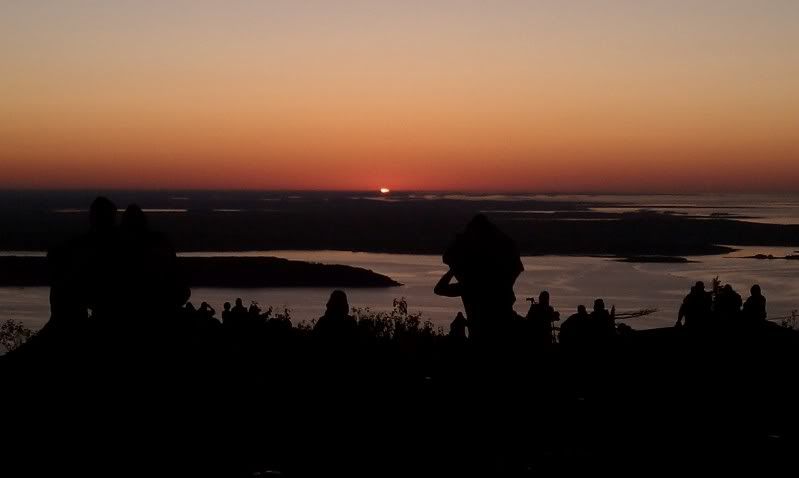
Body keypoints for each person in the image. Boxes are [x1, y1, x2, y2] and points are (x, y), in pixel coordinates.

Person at [437, 214, 523, 343]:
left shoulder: (472, 284)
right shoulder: (494, 279)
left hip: (483, 336)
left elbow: (440, 289)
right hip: (503, 330)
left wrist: (452, 270)